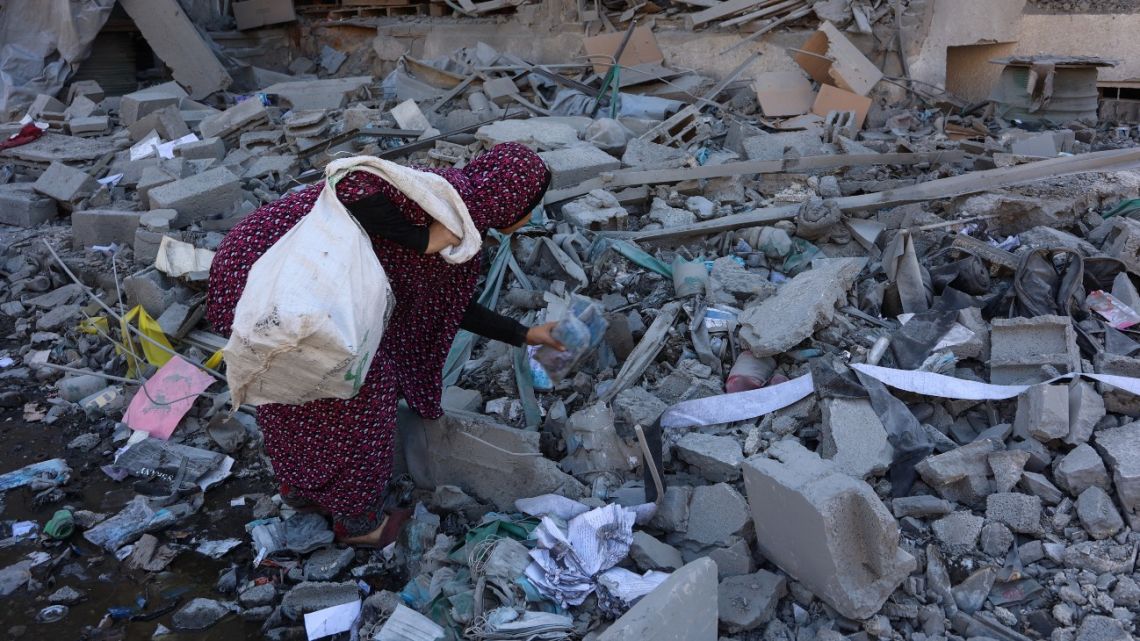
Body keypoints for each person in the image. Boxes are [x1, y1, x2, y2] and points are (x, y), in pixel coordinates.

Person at [207, 143, 560, 546]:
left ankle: (301, 490)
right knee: (360, 396)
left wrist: (523, 334)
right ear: (510, 201)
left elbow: (443, 303)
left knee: (290, 387)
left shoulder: (455, 205)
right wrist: (419, 239)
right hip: (272, 283)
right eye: (531, 205)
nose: (531, 216)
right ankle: (360, 525)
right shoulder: (441, 204)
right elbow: (352, 182)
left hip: (263, 273)